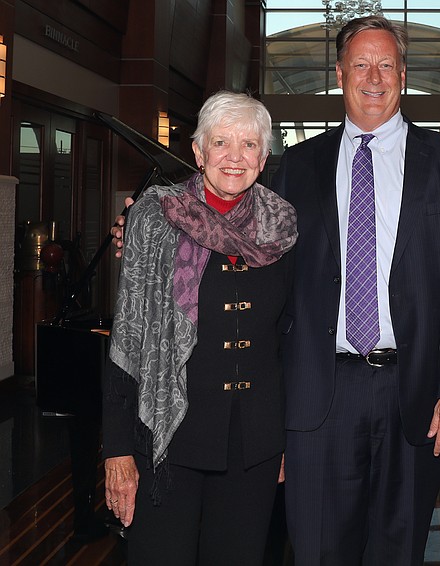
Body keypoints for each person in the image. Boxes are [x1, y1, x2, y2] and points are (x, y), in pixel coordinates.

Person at [271, 15, 440, 566]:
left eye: (386, 64)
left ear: (404, 73)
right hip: (319, 396)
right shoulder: (293, 168)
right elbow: (252, 259)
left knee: (399, 553)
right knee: (319, 552)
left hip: (414, 397)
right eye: (361, 64)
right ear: (340, 72)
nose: (374, 76)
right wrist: (154, 224)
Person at [103, 90, 298, 565]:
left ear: (264, 155)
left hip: (254, 445)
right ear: (198, 151)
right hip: (169, 440)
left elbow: (291, 340)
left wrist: (292, 438)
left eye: (249, 144)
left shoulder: (284, 227)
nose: (235, 157)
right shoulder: (154, 218)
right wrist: (116, 450)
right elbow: (128, 334)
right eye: (221, 142)